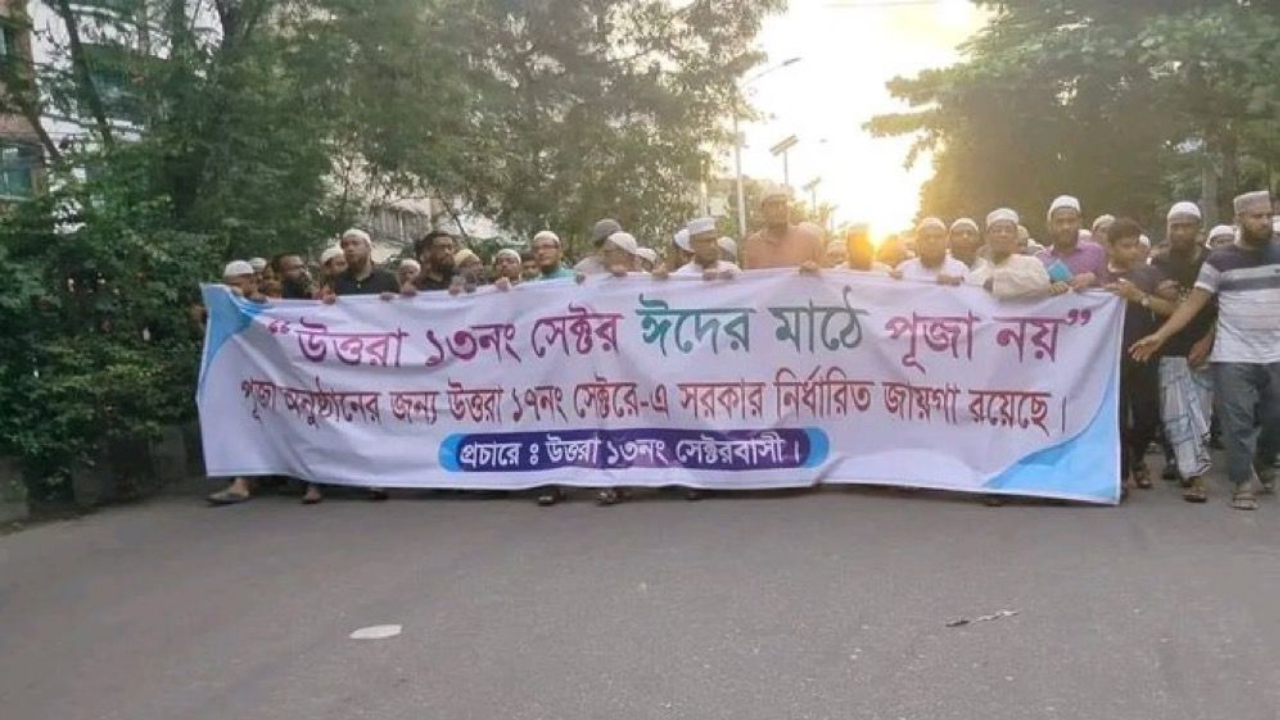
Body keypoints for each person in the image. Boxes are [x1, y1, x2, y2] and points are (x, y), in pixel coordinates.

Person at [1132, 191, 1280, 511]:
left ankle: (1265, 461)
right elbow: (1193, 305)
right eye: (1257, 216)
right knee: (1235, 421)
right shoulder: (1219, 261)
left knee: (1273, 418)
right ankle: (1240, 483)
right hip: (1233, 355)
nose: (1265, 221)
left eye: (1268, 215)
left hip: (1274, 354)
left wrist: (1203, 338)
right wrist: (1159, 337)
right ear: (1240, 220)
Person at [320, 228, 400, 503]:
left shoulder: (388, 279)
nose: (350, 249)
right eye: (345, 245)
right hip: (348, 362)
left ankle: (380, 477)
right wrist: (326, 305)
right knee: (354, 418)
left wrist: (397, 303)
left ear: (368, 247)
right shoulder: (336, 282)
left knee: (379, 419)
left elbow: (409, 315)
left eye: (355, 244)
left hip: (381, 360)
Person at [1101, 219, 1177, 498]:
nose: (1133, 252)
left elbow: (1172, 308)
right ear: (1108, 246)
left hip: (1143, 353)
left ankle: (1137, 455)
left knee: (1148, 415)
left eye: (1136, 245)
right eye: (1126, 246)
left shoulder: (1150, 274)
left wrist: (1139, 297)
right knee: (1116, 418)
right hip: (1106, 358)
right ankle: (1120, 475)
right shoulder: (1096, 274)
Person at [1149, 201, 1216, 502]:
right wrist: (1155, 294)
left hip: (1206, 346)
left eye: (1186, 225)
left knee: (1200, 413)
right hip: (1170, 348)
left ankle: (1193, 471)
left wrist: (1208, 341)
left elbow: (1224, 308)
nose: (1180, 231)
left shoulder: (1216, 261)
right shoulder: (1158, 263)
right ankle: (1192, 474)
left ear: (1199, 229)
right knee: (1175, 413)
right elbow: (1150, 303)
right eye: (1174, 226)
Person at [207, 261, 269, 506]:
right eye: (227, 285)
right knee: (242, 423)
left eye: (236, 285)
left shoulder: (268, 306)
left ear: (252, 282)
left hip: (270, 378)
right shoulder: (225, 308)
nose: (231, 290)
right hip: (240, 378)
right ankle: (242, 480)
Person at [967, 209, 1060, 299]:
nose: (1003, 234)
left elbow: (1043, 283)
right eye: (997, 230)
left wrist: (998, 281)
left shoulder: (1032, 264)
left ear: (1016, 237)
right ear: (987, 238)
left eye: (1008, 230)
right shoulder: (975, 277)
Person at [742, 186, 823, 270]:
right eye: (774, 204)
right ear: (762, 210)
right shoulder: (753, 244)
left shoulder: (810, 240)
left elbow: (828, 277)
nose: (781, 209)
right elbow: (748, 279)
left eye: (784, 204)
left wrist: (817, 272)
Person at [1037, 195, 1107, 289]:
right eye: (1059, 221)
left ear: (1080, 223)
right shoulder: (1039, 260)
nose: (1066, 227)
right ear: (1049, 226)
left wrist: (1093, 278)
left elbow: (1112, 286)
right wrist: (1048, 290)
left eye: (1071, 221)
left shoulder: (1096, 252)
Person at [898, 218, 969, 285]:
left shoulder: (960, 270)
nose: (932, 241)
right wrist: (894, 282)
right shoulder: (904, 269)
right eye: (926, 237)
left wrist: (959, 285)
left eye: (938, 237)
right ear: (918, 242)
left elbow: (970, 294)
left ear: (946, 242)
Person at [674, 217, 740, 277]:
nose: (712, 246)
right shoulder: (682, 275)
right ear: (692, 245)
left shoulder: (732, 271)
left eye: (714, 240)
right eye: (706, 242)